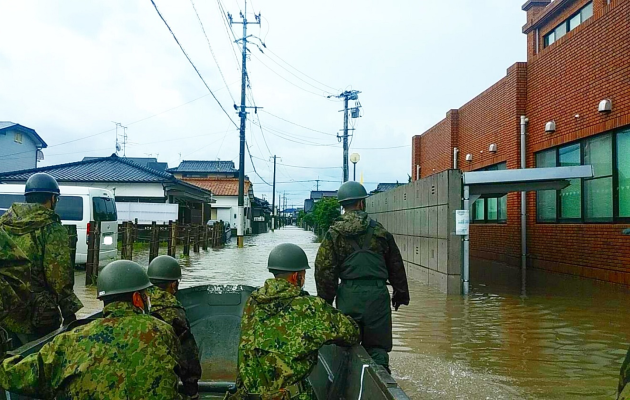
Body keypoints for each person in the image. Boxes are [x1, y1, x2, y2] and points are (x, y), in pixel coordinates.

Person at [0, 260, 186, 399]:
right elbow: (182, 369)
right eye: (146, 295)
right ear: (138, 299)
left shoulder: (70, 340)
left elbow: (15, 375)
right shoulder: (162, 331)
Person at [229, 243, 360, 400]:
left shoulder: (253, 301)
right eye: (303, 274)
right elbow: (352, 333)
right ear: (296, 276)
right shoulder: (311, 307)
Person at [315, 181, 410, 373]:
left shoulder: (334, 234)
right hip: (377, 296)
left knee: (346, 345)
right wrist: (400, 294)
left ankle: (346, 385)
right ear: (361, 203)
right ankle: (382, 384)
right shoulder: (380, 231)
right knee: (378, 349)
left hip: (348, 296)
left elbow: (324, 270)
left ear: (343, 205)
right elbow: (396, 266)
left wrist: (325, 301)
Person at [0, 173, 83, 348]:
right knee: (36, 366)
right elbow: (59, 277)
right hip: (36, 315)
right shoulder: (51, 228)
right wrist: (70, 313)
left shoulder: (3, 224)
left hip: (5, 310)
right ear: (53, 199)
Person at [147, 255, 202, 399]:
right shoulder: (173, 311)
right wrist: (192, 391)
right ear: (173, 285)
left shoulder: (140, 302)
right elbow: (187, 355)